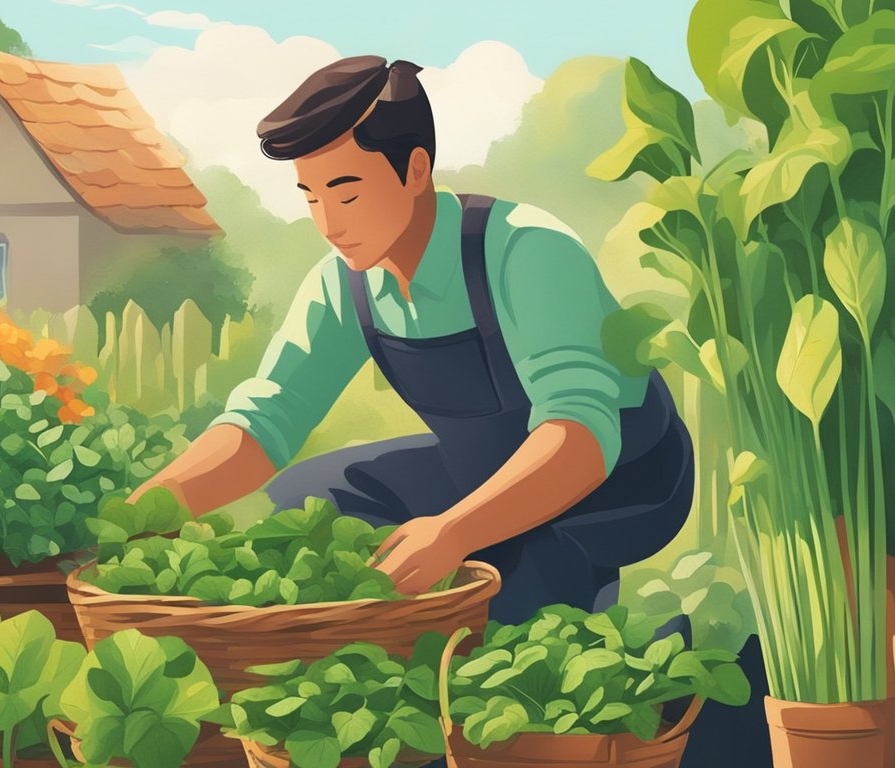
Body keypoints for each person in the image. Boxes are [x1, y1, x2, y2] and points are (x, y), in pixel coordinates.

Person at [128, 55, 694, 628]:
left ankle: (614, 638)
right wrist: (145, 510)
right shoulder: (343, 281)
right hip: (480, 468)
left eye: (346, 194)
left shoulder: (527, 251)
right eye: (310, 197)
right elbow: (267, 418)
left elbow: (580, 438)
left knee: (513, 581)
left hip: (619, 482)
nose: (329, 224)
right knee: (304, 501)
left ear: (416, 170)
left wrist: (452, 533)